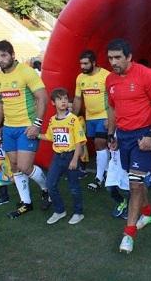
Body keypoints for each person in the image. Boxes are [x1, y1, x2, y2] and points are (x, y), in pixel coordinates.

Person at [105, 39, 151, 254]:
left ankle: (128, 234)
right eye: (110, 58)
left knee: (134, 184)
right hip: (123, 136)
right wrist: (110, 134)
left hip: (143, 136)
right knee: (137, 183)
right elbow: (112, 109)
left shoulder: (146, 75)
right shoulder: (110, 80)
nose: (113, 62)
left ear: (129, 57)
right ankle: (147, 213)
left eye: (117, 58)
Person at [0, 40, 51, 219]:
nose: (1, 60)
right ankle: (26, 203)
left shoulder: (26, 72)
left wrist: (37, 124)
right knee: (16, 167)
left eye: (4, 55)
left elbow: (43, 98)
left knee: (25, 166)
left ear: (12, 55)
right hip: (9, 129)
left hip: (27, 127)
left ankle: (46, 188)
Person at [39, 88, 87, 225]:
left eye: (66, 98)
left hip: (70, 156)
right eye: (60, 99)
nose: (64, 101)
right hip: (57, 157)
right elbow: (49, 136)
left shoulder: (73, 119)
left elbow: (79, 140)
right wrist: (35, 135)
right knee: (50, 184)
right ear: (53, 103)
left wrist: (74, 159)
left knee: (74, 187)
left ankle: (78, 213)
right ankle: (60, 211)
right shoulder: (53, 120)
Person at [72, 50, 110, 191]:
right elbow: (77, 98)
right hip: (90, 117)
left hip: (104, 115)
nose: (82, 66)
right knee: (99, 146)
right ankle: (106, 171)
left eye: (86, 63)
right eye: (81, 63)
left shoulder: (106, 75)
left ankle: (98, 178)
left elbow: (114, 97)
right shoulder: (80, 78)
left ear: (94, 63)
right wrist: (73, 118)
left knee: (100, 144)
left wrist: (111, 117)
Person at [105, 145, 130, 219]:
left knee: (129, 189)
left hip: (127, 161)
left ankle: (130, 208)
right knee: (109, 187)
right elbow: (110, 140)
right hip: (115, 162)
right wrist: (110, 143)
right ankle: (122, 202)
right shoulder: (114, 134)